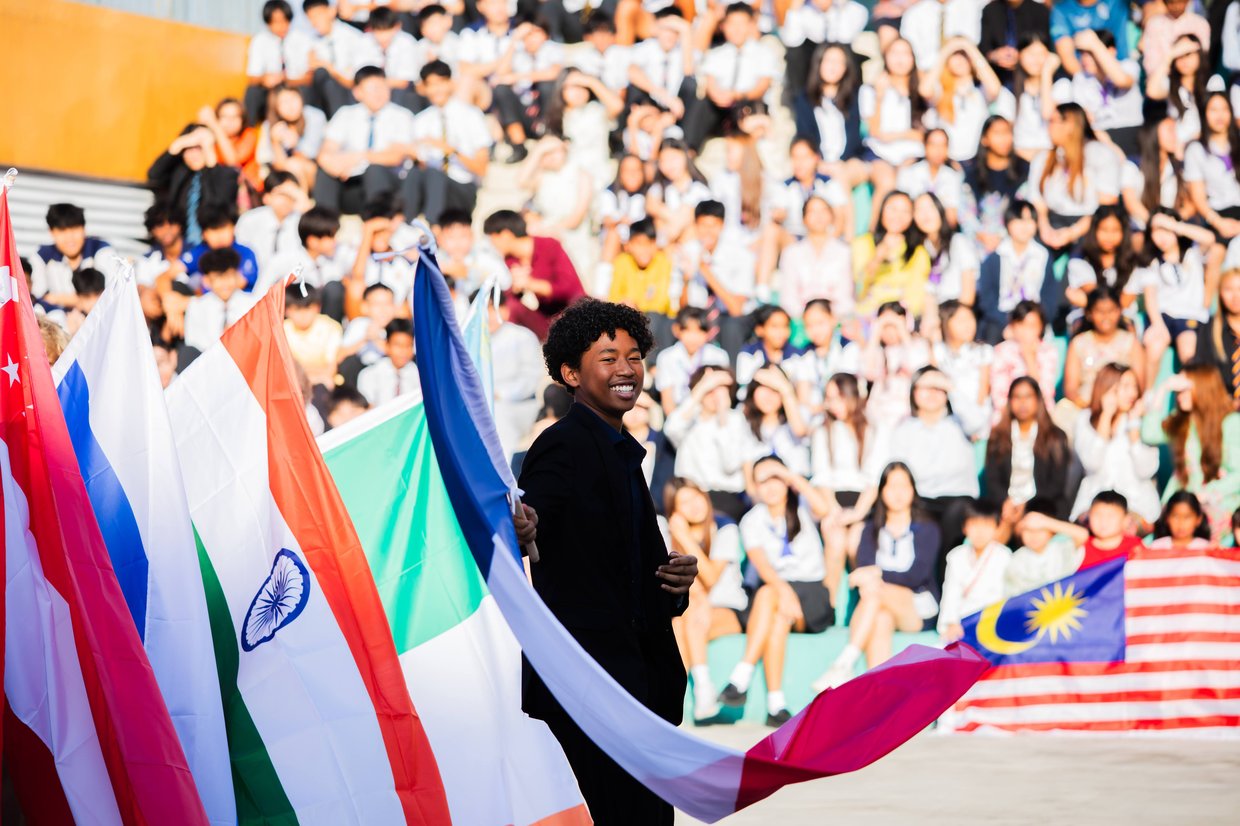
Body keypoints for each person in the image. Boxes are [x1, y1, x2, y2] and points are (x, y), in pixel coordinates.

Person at [515, 299, 697, 826]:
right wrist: (523, 525)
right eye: (608, 358)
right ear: (571, 374)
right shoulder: (561, 445)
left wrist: (676, 581)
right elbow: (528, 521)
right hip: (591, 682)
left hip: (635, 683)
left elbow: (637, 572)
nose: (626, 369)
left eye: (634, 356)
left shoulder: (623, 449)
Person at [717, 456, 833, 725]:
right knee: (776, 610)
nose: (770, 486)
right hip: (775, 591)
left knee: (770, 594)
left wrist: (790, 476)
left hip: (810, 591)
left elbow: (825, 509)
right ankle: (776, 704)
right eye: (763, 481)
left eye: (775, 478)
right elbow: (762, 565)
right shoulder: (751, 520)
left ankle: (741, 676)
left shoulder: (802, 505)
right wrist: (785, 592)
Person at [814, 462, 942, 689]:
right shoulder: (871, 529)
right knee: (881, 618)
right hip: (879, 602)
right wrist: (872, 575)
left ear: (913, 490)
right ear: (881, 491)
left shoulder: (928, 529)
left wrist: (878, 573)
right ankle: (880, 694)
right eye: (892, 486)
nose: (898, 493)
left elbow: (916, 576)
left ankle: (844, 663)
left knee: (875, 591)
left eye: (904, 486)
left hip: (917, 606)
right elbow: (865, 569)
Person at [664, 479, 747, 724]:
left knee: (689, 613)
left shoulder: (724, 527)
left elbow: (710, 578)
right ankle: (689, 695)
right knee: (679, 622)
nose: (694, 506)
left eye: (695, 497)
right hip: (694, 614)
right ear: (674, 511)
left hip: (728, 609)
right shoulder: (667, 536)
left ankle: (691, 694)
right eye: (684, 503)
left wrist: (684, 537)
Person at [814, 372, 889, 600]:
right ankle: (829, 605)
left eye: (838, 397)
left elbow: (874, 479)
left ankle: (864, 602)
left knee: (857, 542)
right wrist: (835, 511)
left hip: (864, 504)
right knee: (835, 542)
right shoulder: (822, 431)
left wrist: (857, 513)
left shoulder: (874, 429)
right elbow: (822, 476)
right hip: (833, 503)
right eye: (829, 398)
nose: (833, 404)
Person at [1142, 366, 1240, 539]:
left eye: (1184, 390)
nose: (1179, 396)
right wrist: (1163, 388)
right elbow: (1149, 434)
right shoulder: (1182, 422)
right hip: (1182, 504)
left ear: (1204, 389)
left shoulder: (1231, 422)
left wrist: (1206, 494)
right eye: (1177, 391)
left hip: (1219, 505)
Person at [887, 366, 979, 550]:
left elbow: (979, 423)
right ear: (914, 392)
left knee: (953, 518)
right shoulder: (904, 429)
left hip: (958, 497)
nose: (932, 393)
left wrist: (951, 387)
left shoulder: (960, 423)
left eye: (938, 387)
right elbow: (898, 472)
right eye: (925, 387)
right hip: (921, 499)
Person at [1131, 210, 1219, 391]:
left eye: (1165, 230)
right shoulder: (1150, 261)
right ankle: (1147, 395)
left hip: (1189, 315)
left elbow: (1210, 238)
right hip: (1162, 316)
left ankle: (1188, 396)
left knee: (1188, 350)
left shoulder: (1192, 252)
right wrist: (1158, 325)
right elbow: (1150, 297)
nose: (1161, 236)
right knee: (1154, 346)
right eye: (1156, 231)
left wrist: (1174, 225)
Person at [314, 65, 415, 214]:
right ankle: (323, 222)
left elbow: (395, 156)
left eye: (382, 87)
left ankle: (378, 221)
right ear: (357, 92)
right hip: (352, 182)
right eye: (372, 89)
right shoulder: (345, 114)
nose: (378, 93)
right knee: (326, 173)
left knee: (374, 170)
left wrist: (358, 157)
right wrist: (336, 167)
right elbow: (325, 153)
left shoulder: (402, 116)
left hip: (388, 185)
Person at [985, 376, 1079, 529]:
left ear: (1038, 400)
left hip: (1044, 507)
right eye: (1017, 397)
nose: (1022, 403)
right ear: (1010, 401)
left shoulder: (1055, 437)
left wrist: (1026, 505)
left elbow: (1057, 484)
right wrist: (1007, 502)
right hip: (1006, 507)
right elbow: (992, 480)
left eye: (1028, 396)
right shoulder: (998, 437)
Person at [1071, 363, 1161, 524]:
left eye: (1134, 386)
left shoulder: (1144, 420)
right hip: (1095, 505)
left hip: (1136, 507)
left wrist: (1134, 429)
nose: (1132, 393)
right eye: (1125, 387)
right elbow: (1091, 463)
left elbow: (1146, 471)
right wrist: (1106, 416)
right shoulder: (1085, 418)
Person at [405, 60, 492, 224]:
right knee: (417, 173)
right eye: (430, 84)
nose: (436, 89)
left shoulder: (472, 115)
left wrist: (452, 151)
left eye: (440, 82)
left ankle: (433, 226)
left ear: (451, 83)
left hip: (462, 187)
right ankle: (406, 224)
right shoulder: (420, 120)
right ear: (424, 88)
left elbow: (482, 168)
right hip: (430, 187)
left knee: (435, 175)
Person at [1026, 103, 1121, 252]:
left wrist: (1072, 233)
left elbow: (1106, 204)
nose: (1048, 127)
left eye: (1053, 121)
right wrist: (1045, 228)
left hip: (1089, 226)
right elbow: (1037, 200)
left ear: (1070, 125)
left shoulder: (1100, 154)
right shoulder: (1043, 158)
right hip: (1052, 223)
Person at [684, 3, 778, 151]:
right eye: (732, 23)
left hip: (747, 103)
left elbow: (762, 86)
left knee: (749, 110)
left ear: (751, 25)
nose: (736, 29)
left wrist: (736, 95)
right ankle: (689, 150)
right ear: (723, 26)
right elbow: (710, 83)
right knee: (701, 104)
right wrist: (719, 96)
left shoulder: (763, 53)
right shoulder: (716, 54)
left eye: (741, 23)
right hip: (721, 107)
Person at [663, 366, 751, 521]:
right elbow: (671, 429)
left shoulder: (735, 419)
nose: (715, 396)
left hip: (726, 498)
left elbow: (731, 463)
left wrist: (723, 418)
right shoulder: (689, 417)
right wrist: (702, 388)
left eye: (721, 390)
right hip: (691, 495)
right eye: (710, 390)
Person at [483, 209, 586, 340]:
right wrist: (516, 288)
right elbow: (514, 297)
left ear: (505, 235)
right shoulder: (510, 260)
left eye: (493, 238)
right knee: (509, 306)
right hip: (548, 320)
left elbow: (570, 289)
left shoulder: (549, 245)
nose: (492, 244)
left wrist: (530, 284)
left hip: (577, 314)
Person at [976, 199, 1061, 344]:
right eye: (1019, 220)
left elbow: (1050, 296)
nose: (1024, 226)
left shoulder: (1043, 256)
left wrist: (1035, 323)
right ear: (1008, 223)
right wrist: (1010, 325)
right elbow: (987, 298)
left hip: (1034, 321)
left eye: (1029, 220)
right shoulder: (996, 256)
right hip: (1001, 321)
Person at [147, 123, 241, 249]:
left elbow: (217, 203)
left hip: (212, 247)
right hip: (181, 245)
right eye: (188, 149)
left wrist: (209, 153)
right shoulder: (180, 173)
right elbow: (154, 174)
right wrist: (180, 143)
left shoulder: (226, 174)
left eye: (199, 148)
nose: (194, 155)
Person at [938, 499, 1011, 641]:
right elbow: (950, 593)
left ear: (997, 528)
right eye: (974, 524)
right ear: (965, 528)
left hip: (991, 622)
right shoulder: (955, 556)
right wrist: (951, 623)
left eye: (986, 525)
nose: (980, 532)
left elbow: (1003, 594)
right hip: (960, 622)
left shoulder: (1004, 556)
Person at [1062, 286, 1146, 408]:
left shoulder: (1130, 342)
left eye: (1111, 311)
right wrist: (1089, 411)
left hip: (1121, 409)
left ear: (1119, 311)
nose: (1106, 316)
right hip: (1085, 408)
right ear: (1089, 314)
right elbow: (1071, 388)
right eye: (1100, 311)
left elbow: (1140, 384)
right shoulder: (1078, 343)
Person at [853, 191, 931, 318]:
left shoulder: (918, 252)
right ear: (881, 210)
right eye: (893, 209)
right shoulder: (863, 243)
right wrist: (878, 256)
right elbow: (859, 288)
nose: (898, 216)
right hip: (868, 315)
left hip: (901, 317)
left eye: (905, 211)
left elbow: (916, 294)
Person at [961, 116, 1029, 257]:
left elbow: (1023, 208)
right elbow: (965, 211)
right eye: (997, 133)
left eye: (1007, 132)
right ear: (984, 139)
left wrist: (1001, 235)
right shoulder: (972, 172)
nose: (1004, 139)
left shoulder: (1023, 170)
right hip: (977, 240)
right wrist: (981, 235)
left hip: (1012, 240)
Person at [29, 203, 118, 309]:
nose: (69, 238)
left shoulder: (101, 250)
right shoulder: (42, 256)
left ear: (84, 229)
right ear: (51, 232)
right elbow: (35, 297)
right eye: (62, 231)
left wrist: (58, 299)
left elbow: (111, 295)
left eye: (74, 229)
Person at [777, 196, 853, 319]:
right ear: (803, 219)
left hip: (836, 319)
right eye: (812, 211)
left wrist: (829, 319)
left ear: (831, 216)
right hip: (801, 321)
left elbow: (845, 295)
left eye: (823, 211)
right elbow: (788, 297)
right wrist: (808, 318)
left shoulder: (844, 252)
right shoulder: (791, 253)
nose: (819, 216)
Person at [1183, 92, 1240, 242]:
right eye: (1213, 110)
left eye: (1224, 109)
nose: (1219, 116)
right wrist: (1219, 223)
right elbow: (1198, 198)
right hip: (1218, 217)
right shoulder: (1196, 150)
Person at [244, 1, 313, 123]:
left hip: (295, 87)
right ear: (268, 22)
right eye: (276, 22)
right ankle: (250, 127)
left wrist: (285, 79)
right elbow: (252, 77)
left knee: (305, 91)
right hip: (271, 90)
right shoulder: (259, 41)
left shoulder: (302, 40)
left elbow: (309, 77)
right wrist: (264, 78)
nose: (281, 26)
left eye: (285, 20)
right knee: (253, 91)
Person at [932, 299, 993, 439]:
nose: (968, 325)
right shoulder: (937, 351)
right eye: (961, 320)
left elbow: (983, 388)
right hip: (948, 421)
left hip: (978, 418)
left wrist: (975, 419)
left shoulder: (982, 351)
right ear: (946, 323)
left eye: (970, 318)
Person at [989, 300, 1059, 418]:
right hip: (1007, 414)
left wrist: (1028, 357)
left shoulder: (1048, 351)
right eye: (1021, 324)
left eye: (1032, 326)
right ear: (1012, 325)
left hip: (1040, 414)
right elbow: (998, 394)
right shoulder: (1001, 351)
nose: (1026, 331)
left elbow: (1045, 393)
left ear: (1041, 327)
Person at [182, 248, 259, 356]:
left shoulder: (253, 304)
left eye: (229, 276)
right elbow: (193, 344)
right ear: (207, 280)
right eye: (218, 278)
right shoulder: (197, 307)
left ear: (237, 275)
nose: (224, 283)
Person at [653, 307, 730, 414]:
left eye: (699, 331)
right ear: (676, 330)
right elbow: (668, 403)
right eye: (688, 330)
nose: (693, 337)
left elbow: (722, 397)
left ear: (708, 332)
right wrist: (678, 421)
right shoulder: (666, 357)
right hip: (678, 413)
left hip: (709, 414)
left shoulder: (718, 356)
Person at [1003, 499, 1084, 595]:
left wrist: (1046, 521)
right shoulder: (1016, 558)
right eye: (1028, 530)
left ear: (1051, 531)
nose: (1034, 535)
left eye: (1040, 530)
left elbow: (1082, 535)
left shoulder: (1060, 549)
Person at [914, 192, 978, 305]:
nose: (926, 214)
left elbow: (968, 296)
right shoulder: (920, 249)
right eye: (919, 209)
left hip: (957, 309)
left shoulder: (958, 242)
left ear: (940, 210)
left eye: (930, 207)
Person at [235, 170, 308, 270]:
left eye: (291, 195)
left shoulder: (301, 221)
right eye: (282, 194)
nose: (287, 200)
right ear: (266, 197)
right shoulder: (249, 220)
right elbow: (240, 254)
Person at [180, 204, 261, 291]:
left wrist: (207, 283)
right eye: (214, 230)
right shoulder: (200, 251)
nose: (219, 236)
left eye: (223, 228)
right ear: (203, 234)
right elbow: (172, 271)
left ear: (233, 228)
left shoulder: (245, 253)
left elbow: (240, 283)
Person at [608, 217, 675, 317]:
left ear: (656, 245)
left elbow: (661, 304)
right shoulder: (622, 261)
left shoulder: (663, 262)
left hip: (656, 319)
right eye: (639, 244)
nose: (645, 250)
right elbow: (613, 297)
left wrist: (636, 307)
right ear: (628, 245)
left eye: (649, 244)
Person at [979, 0, 1050, 87]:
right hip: (999, 77)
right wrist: (994, 55)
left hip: (1031, 77)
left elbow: (1045, 47)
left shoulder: (1040, 11)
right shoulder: (990, 10)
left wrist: (1022, 56)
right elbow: (984, 48)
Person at [283, 285, 343, 389]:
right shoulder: (281, 330)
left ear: (318, 307)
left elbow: (331, 369)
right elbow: (284, 369)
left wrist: (305, 374)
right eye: (297, 309)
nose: (303, 315)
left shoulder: (331, 327)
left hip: (325, 384)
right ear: (286, 310)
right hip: (293, 384)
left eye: (308, 308)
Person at [1194, 268, 1240, 399]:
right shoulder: (1209, 328)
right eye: (1228, 289)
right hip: (1222, 403)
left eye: (1239, 289)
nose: (1235, 296)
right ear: (1220, 293)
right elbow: (1203, 370)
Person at [356, 318, 420, 406]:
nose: (403, 351)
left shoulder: (418, 375)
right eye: (398, 345)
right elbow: (367, 408)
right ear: (387, 345)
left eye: (409, 345)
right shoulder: (369, 374)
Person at [1148, 491, 1212, 552]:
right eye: (1176, 516)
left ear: (1198, 519)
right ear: (1167, 518)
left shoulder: (1206, 548)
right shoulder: (1156, 547)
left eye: (1187, 517)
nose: (1181, 523)